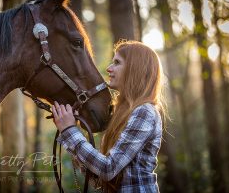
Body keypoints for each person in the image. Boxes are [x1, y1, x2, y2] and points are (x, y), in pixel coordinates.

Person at [52, 40, 166, 193]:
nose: (109, 69)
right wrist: (69, 130)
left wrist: (70, 131)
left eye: (117, 63)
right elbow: (99, 178)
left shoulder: (144, 112)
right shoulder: (122, 114)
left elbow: (108, 168)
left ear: (135, 69)